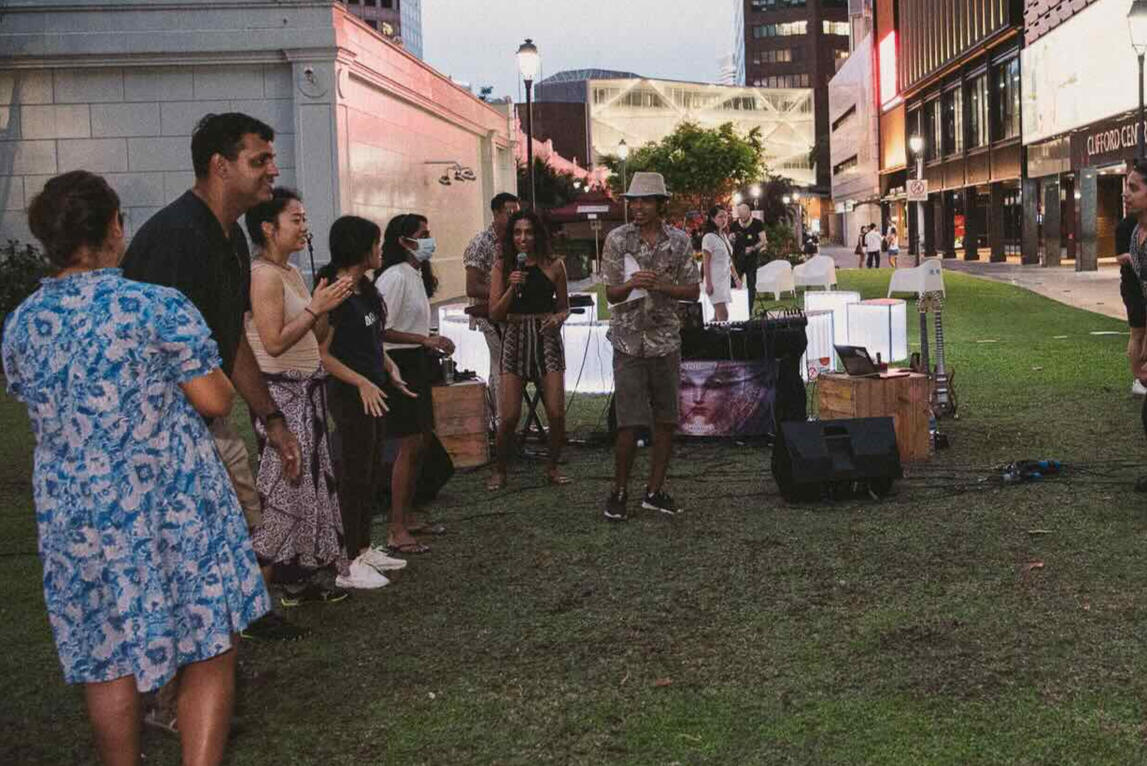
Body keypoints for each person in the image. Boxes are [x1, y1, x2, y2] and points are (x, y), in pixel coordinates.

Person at [3, 169, 270, 766]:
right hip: (169, 500)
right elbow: (214, 399)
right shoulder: (153, 306)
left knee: (106, 658)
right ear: (114, 228)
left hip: (77, 516)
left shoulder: (23, 323)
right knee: (208, 644)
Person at [120, 112, 306, 642]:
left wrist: (271, 418)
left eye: (271, 158)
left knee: (236, 525)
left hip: (206, 420)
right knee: (185, 556)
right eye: (259, 160)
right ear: (220, 166)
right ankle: (190, 665)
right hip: (160, 435)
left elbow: (230, 338)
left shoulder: (229, 239)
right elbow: (151, 354)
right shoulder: (176, 239)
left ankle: (235, 628)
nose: (273, 170)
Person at [245, 188, 384, 603]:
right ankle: (265, 586)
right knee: (284, 490)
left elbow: (314, 335)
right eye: (296, 219)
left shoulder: (289, 271)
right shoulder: (263, 275)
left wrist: (322, 309)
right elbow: (273, 342)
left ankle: (301, 576)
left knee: (308, 488)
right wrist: (314, 308)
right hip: (282, 395)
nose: (305, 227)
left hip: (308, 390)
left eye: (305, 219)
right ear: (268, 228)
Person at [319, 215, 414, 585]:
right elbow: (322, 354)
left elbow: (371, 341)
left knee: (372, 470)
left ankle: (362, 547)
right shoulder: (335, 291)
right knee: (353, 474)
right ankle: (346, 562)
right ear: (358, 248)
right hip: (350, 394)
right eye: (375, 244)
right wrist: (360, 382)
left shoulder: (366, 289)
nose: (380, 250)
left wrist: (389, 367)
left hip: (374, 390)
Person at [601, 172, 701, 521]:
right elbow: (611, 294)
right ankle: (619, 491)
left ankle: (654, 492)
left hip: (665, 342)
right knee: (628, 423)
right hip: (628, 343)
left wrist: (661, 286)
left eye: (645, 201)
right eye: (634, 201)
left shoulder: (680, 241)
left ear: (661, 204)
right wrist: (631, 284)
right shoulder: (617, 239)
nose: (638, 207)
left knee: (666, 420)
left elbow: (693, 291)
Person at [376, 214, 455, 554]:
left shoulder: (415, 274)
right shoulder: (394, 277)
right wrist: (424, 341)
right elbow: (383, 329)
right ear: (404, 241)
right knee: (408, 445)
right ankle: (396, 528)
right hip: (400, 365)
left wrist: (431, 341)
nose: (428, 240)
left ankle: (406, 516)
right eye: (423, 234)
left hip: (417, 361)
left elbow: (410, 325)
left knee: (421, 442)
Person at [487, 210, 571, 490]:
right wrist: (512, 287)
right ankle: (500, 470)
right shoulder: (502, 267)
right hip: (515, 338)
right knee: (510, 416)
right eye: (517, 232)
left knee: (556, 413)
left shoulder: (554, 265)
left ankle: (553, 466)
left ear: (538, 235)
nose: (523, 238)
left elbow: (564, 307)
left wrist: (557, 319)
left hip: (546, 338)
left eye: (529, 232)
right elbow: (495, 313)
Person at [463, 192, 521, 424]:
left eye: (516, 212)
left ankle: (499, 419)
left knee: (502, 365)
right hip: (489, 314)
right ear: (496, 213)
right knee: (501, 365)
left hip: (511, 313)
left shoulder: (515, 241)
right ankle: (502, 421)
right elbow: (472, 287)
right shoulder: (480, 243)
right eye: (509, 212)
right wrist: (503, 291)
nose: (514, 216)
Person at [1115, 213, 1145, 397]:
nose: (1127, 199)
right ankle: (1138, 379)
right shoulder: (1126, 226)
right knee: (1138, 332)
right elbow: (1120, 256)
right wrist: (1134, 257)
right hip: (1133, 287)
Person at [701, 206, 741, 322]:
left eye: (725, 217)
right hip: (715, 282)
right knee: (723, 315)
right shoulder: (708, 237)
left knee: (717, 317)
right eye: (720, 217)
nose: (724, 219)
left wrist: (736, 277)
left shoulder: (723, 236)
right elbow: (706, 262)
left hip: (724, 281)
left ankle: (711, 332)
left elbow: (728, 260)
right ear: (712, 219)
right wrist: (709, 283)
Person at [730, 202, 767, 315]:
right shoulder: (734, 225)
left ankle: (749, 309)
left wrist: (753, 248)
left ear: (749, 213)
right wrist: (731, 238)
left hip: (751, 259)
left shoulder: (757, 223)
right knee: (734, 283)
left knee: (751, 285)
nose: (742, 219)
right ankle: (735, 308)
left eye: (744, 216)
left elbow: (763, 241)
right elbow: (730, 240)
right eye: (740, 216)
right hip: (738, 259)